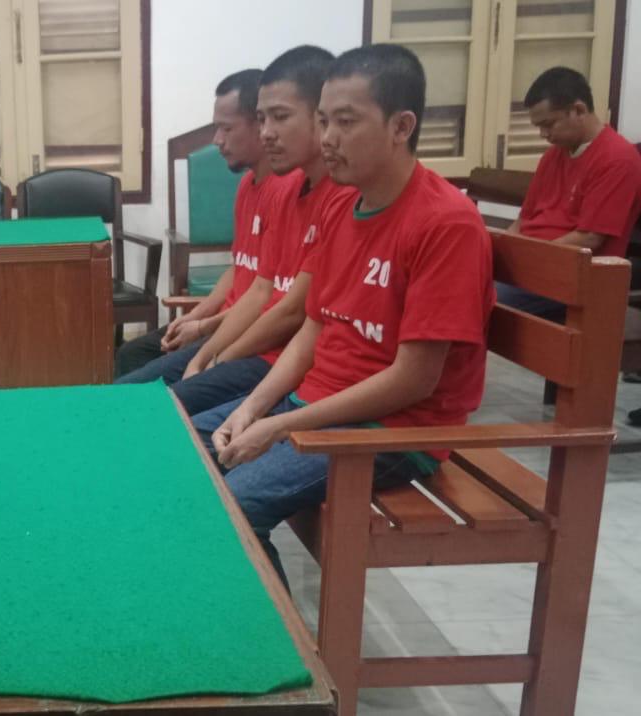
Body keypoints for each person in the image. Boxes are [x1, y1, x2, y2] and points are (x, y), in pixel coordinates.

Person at [190, 44, 495, 583]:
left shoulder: (446, 224)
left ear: (401, 126)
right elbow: (314, 326)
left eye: (346, 122)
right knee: (183, 448)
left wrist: (279, 425)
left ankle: (276, 637)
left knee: (234, 502)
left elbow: (414, 380)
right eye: (324, 120)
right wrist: (254, 409)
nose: (328, 137)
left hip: (392, 431)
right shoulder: (345, 207)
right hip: (316, 406)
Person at [167, 46, 357, 416]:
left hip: (278, 358)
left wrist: (214, 355)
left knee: (163, 416)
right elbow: (256, 284)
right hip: (260, 349)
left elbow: (292, 313)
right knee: (138, 390)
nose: (267, 133)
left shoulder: (342, 198)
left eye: (279, 117)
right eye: (261, 119)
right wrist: (206, 345)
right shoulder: (285, 190)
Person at [114, 69, 273, 380]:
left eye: (227, 128)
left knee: (137, 385)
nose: (217, 140)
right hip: (220, 324)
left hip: (241, 334)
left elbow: (264, 298)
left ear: (260, 124)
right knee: (130, 354)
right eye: (216, 128)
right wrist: (194, 316)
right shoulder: (247, 184)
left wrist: (202, 329)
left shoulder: (285, 191)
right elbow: (239, 267)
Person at [501, 66, 641, 320]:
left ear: (578, 110)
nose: (543, 134)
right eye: (538, 127)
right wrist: (502, 253)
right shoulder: (552, 156)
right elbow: (522, 222)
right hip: (536, 267)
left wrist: (526, 261)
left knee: (478, 299)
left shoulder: (618, 159)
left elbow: (589, 239)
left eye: (548, 124)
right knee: (456, 284)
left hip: (575, 277)